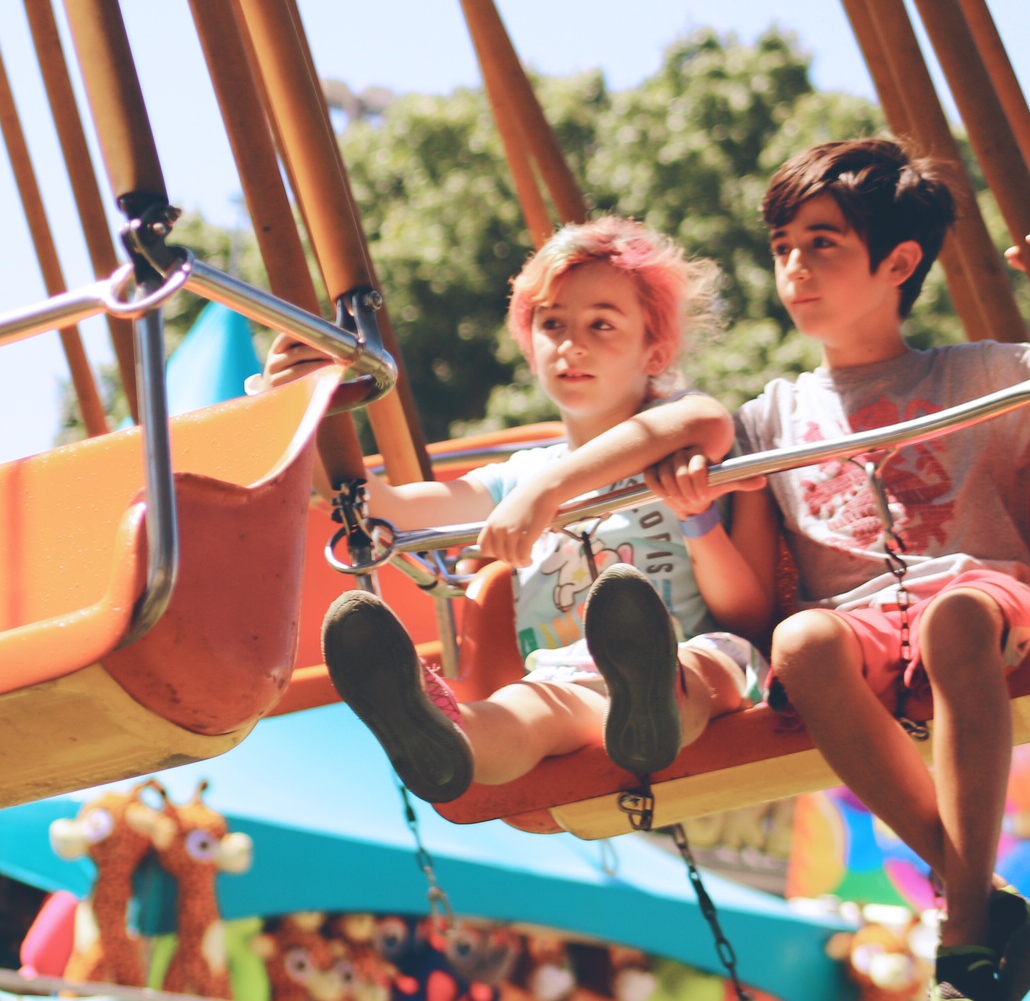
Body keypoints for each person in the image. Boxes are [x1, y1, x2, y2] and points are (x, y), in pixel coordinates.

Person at [645, 139, 1030, 1001]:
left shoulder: (975, 373)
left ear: (898, 262)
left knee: (953, 619)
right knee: (800, 638)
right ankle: (976, 897)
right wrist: (691, 501)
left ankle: (963, 926)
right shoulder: (769, 415)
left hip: (982, 595)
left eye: (821, 243)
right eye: (782, 246)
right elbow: (744, 593)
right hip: (855, 619)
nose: (794, 267)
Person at [256, 218, 773, 803]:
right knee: (520, 713)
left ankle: (654, 701)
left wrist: (549, 492)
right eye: (551, 323)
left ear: (656, 350)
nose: (571, 343)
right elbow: (383, 510)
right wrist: (300, 410)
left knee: (700, 669)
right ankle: (443, 736)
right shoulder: (515, 479)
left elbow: (705, 419)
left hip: (691, 654)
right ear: (531, 346)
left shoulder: (676, 442)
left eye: (601, 324)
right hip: (569, 679)